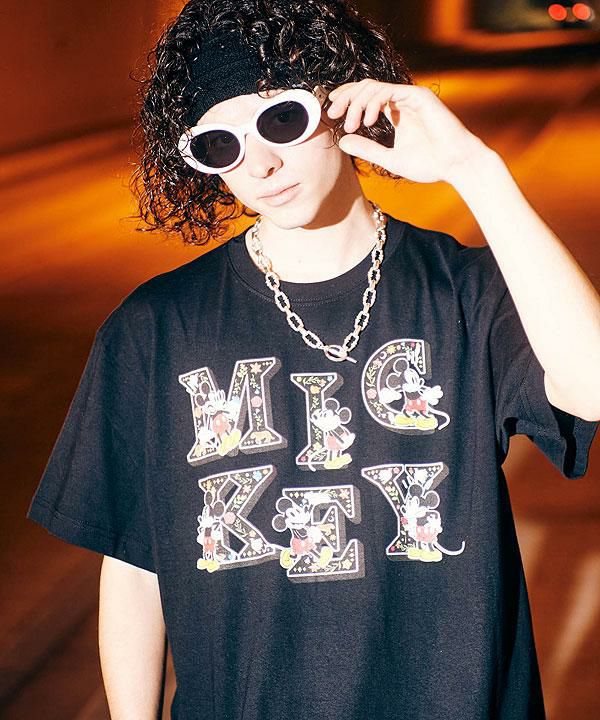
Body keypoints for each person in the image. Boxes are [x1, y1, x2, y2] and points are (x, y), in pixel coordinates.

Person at [26, 1, 600, 718]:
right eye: (221, 144)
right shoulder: (156, 327)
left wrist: (475, 171)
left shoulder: (467, 291)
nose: (260, 164)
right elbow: (136, 568)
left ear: (342, 102)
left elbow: (591, 385)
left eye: (280, 120)